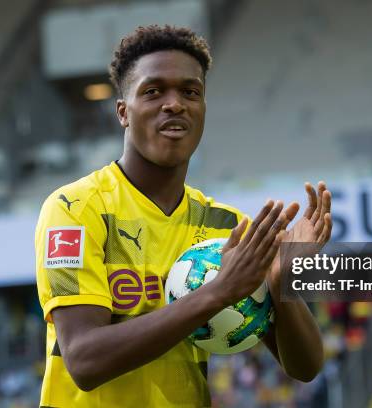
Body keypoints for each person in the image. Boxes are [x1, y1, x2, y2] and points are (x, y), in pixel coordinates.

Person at [35, 25, 332, 407]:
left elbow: (305, 367)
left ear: (203, 110)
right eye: (153, 91)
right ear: (123, 112)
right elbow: (84, 360)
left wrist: (282, 280)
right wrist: (218, 292)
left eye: (190, 92)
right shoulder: (75, 209)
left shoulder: (228, 228)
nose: (174, 104)